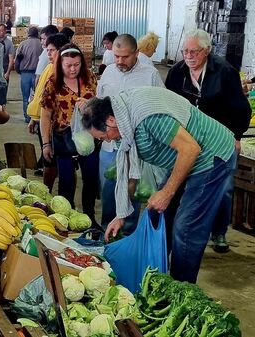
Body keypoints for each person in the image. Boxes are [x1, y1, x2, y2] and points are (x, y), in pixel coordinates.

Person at [80, 86, 238, 283]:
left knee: (186, 228)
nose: (106, 141)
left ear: (110, 121)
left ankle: (180, 289)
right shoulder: (123, 126)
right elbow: (130, 173)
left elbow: (190, 148)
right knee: (156, 215)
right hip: (184, 159)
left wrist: (167, 192)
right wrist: (122, 215)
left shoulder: (148, 117)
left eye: (103, 137)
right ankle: (156, 278)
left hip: (210, 157)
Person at [164, 29, 250, 253]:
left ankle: (219, 232)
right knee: (181, 182)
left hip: (219, 139)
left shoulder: (224, 72)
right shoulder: (176, 72)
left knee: (223, 187)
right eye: (185, 51)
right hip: (188, 139)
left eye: (195, 51)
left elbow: (241, 109)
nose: (189, 56)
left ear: (207, 51)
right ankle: (173, 231)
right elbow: (168, 105)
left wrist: (236, 137)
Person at [97, 34, 165, 232]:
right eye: (116, 56)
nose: (119, 61)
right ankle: (106, 234)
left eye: (124, 57)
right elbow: (100, 102)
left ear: (136, 53)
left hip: (137, 147)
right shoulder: (109, 72)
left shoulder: (150, 74)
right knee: (109, 191)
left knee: (131, 191)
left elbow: (160, 106)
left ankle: (127, 232)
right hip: (110, 146)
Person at [40, 43, 99, 224]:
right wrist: (46, 144)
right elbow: (45, 115)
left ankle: (89, 216)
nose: (73, 69)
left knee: (90, 181)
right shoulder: (52, 84)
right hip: (63, 140)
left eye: (77, 64)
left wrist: (90, 107)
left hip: (88, 138)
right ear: (60, 64)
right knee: (65, 182)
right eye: (68, 65)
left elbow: (101, 107)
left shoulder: (90, 80)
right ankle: (67, 218)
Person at [28, 33, 69, 190]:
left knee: (54, 161)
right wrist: (34, 118)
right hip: (43, 121)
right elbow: (40, 96)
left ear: (61, 51)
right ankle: (48, 190)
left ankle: (51, 191)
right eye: (48, 50)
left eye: (52, 50)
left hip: (56, 126)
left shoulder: (62, 72)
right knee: (48, 160)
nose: (49, 54)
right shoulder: (49, 67)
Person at [15, 26, 43, 123]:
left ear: (28, 34)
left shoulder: (22, 44)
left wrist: (18, 70)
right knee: (37, 96)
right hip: (38, 74)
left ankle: (27, 117)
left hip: (25, 74)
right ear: (37, 34)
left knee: (25, 98)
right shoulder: (42, 44)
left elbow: (17, 60)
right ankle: (36, 117)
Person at [0, 23, 15, 107]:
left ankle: (1, 107)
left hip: (4, 68)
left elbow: (11, 59)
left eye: (1, 30)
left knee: (3, 90)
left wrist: (8, 72)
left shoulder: (9, 43)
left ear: (5, 31)